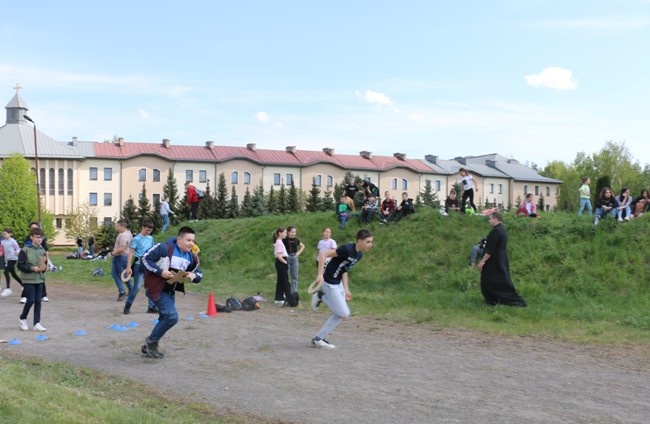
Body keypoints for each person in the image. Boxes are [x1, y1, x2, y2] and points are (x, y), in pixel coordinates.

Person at [140, 226, 202, 358]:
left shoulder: (191, 257)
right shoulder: (164, 248)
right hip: (156, 288)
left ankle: (148, 346)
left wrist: (194, 276)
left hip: (170, 290)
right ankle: (151, 342)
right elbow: (144, 259)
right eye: (188, 240)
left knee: (165, 317)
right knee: (171, 317)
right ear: (179, 239)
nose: (191, 243)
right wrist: (160, 272)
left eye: (193, 241)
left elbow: (198, 274)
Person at [310, 229, 374, 349]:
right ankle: (321, 296)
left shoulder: (358, 255)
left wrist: (347, 289)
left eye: (371, 242)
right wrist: (320, 274)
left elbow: (344, 270)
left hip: (338, 283)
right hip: (328, 281)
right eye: (368, 241)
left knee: (340, 314)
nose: (371, 244)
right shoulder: (347, 249)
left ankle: (318, 339)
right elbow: (324, 254)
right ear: (359, 241)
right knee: (344, 313)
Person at [476, 212, 526, 307]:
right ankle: (494, 299)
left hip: (494, 259)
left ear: (495, 219)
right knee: (500, 279)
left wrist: (482, 261)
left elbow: (490, 249)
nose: (489, 220)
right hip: (501, 258)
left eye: (490, 219)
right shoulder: (502, 230)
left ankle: (493, 300)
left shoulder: (496, 231)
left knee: (488, 279)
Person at [17, 227, 48, 331]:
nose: (39, 239)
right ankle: (22, 318)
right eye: (37, 237)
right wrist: (32, 268)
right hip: (28, 279)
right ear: (31, 237)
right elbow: (20, 265)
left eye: (41, 238)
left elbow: (44, 263)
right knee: (30, 300)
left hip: (39, 279)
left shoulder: (42, 250)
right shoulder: (25, 250)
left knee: (38, 301)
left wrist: (44, 268)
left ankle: (36, 323)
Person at [123, 219, 155, 315]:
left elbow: (152, 251)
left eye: (150, 230)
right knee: (137, 286)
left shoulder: (150, 238)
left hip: (148, 264)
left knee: (151, 286)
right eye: (147, 230)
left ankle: (151, 307)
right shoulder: (136, 239)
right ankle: (128, 305)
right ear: (142, 227)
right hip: (138, 264)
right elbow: (131, 253)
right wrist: (128, 267)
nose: (148, 232)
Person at [23, 222, 50, 303]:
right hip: (30, 262)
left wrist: (47, 263)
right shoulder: (27, 239)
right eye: (32, 228)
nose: (34, 229)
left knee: (41, 279)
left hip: (39, 263)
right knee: (28, 279)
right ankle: (24, 296)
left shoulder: (42, 239)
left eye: (35, 227)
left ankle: (43, 295)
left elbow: (46, 251)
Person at [111, 219, 133, 301]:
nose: (116, 228)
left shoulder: (123, 235)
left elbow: (122, 248)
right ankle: (131, 290)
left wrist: (112, 253)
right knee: (122, 275)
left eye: (118, 226)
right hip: (122, 257)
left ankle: (122, 291)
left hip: (121, 257)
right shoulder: (128, 234)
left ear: (122, 226)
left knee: (117, 274)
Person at [283, 226, 305, 295]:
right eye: (292, 232)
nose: (294, 233)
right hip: (287, 258)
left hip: (294, 258)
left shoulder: (296, 240)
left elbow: (302, 246)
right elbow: (277, 244)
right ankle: (285, 292)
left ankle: (294, 292)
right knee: (286, 275)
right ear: (288, 232)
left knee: (295, 276)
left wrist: (298, 253)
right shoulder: (285, 239)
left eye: (295, 232)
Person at [1, 228, 22, 298]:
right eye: (3, 234)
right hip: (8, 259)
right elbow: (2, 250)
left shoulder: (13, 241)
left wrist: (17, 252)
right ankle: (24, 286)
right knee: (14, 275)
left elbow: (18, 249)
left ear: (10, 234)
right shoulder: (2, 242)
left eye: (5, 234)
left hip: (13, 259)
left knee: (6, 272)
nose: (4, 235)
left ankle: (8, 288)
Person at [272, 228, 291, 305]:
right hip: (281, 262)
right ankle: (289, 298)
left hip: (281, 262)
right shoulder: (279, 242)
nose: (286, 234)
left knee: (280, 280)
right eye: (284, 233)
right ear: (280, 233)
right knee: (285, 281)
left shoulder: (279, 242)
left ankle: (279, 298)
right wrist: (285, 262)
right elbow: (279, 255)